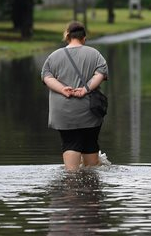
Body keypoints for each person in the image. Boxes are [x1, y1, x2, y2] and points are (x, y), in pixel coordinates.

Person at [41, 21, 109, 171]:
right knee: (90, 143)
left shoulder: (53, 56)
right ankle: (91, 186)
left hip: (63, 111)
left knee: (70, 142)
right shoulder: (95, 54)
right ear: (84, 38)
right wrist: (85, 89)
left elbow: (47, 77)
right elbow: (100, 74)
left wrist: (63, 89)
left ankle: (71, 182)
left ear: (67, 36)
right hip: (90, 110)